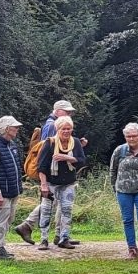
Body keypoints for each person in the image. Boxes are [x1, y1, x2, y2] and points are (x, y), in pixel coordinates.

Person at [15, 99, 86, 246]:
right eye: (67, 112)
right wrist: (43, 181)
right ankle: (30, 226)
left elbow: (78, 157)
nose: (69, 114)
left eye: (70, 113)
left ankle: (60, 235)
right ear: (58, 111)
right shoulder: (51, 127)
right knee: (50, 204)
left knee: (62, 205)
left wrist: (75, 149)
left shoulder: (68, 133)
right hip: (51, 174)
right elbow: (45, 149)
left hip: (65, 177)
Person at [35, 115, 86, 250]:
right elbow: (41, 166)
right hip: (51, 182)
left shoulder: (75, 142)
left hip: (68, 182)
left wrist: (67, 157)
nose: (66, 131)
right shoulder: (50, 143)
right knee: (46, 210)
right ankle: (44, 239)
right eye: (63, 129)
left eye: (69, 129)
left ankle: (64, 238)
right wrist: (43, 185)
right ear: (58, 129)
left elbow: (82, 160)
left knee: (67, 210)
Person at [110, 122, 138, 259]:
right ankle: (132, 248)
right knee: (127, 219)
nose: (131, 139)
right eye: (128, 136)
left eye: (134, 136)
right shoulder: (119, 151)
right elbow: (113, 170)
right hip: (123, 190)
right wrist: (115, 187)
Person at [0, 116, 24, 261]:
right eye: (15, 127)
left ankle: (0, 246)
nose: (17, 129)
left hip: (12, 191)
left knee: (8, 219)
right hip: (2, 192)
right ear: (7, 129)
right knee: (0, 221)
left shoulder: (11, 145)